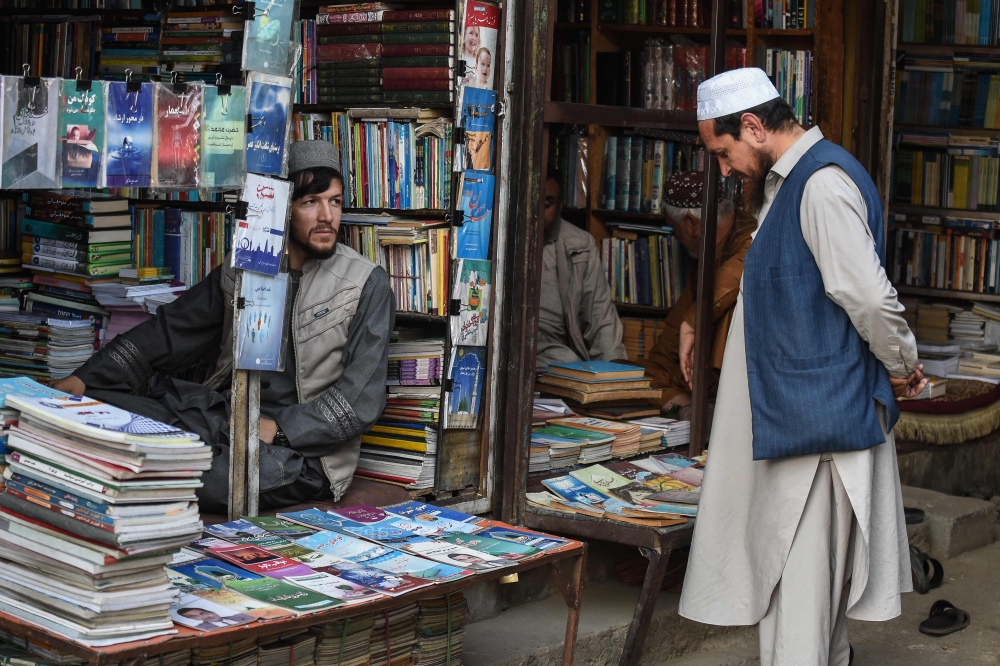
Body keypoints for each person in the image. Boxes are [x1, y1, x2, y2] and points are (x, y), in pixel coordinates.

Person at [677, 68, 926, 666]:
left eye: (723, 151)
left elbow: (866, 296)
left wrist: (902, 363)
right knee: (796, 591)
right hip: (797, 418)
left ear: (755, 127)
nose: (723, 168)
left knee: (803, 590)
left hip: (819, 429)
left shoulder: (821, 185)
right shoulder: (786, 185)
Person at [53, 140, 405, 514]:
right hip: (224, 418)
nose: (326, 216)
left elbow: (361, 397)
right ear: (284, 208)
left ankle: (175, 457)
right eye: (310, 202)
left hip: (301, 456)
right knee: (94, 416)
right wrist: (86, 379)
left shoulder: (366, 282)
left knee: (197, 473)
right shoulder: (246, 266)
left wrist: (281, 429)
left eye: (334, 202)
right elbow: (173, 330)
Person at [638, 171, 755, 415]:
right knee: (630, 376)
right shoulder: (704, 258)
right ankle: (694, 411)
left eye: (674, 229)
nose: (677, 238)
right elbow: (669, 343)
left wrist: (693, 321)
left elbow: (736, 272)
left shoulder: (753, 237)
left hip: (743, 386)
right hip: (703, 391)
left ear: (691, 225)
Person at [535, 167, 627, 372]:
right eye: (531, 202)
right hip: (515, 350)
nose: (537, 212)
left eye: (547, 204)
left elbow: (600, 318)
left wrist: (615, 379)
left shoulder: (579, 245)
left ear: (560, 206)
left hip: (559, 358)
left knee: (569, 363)